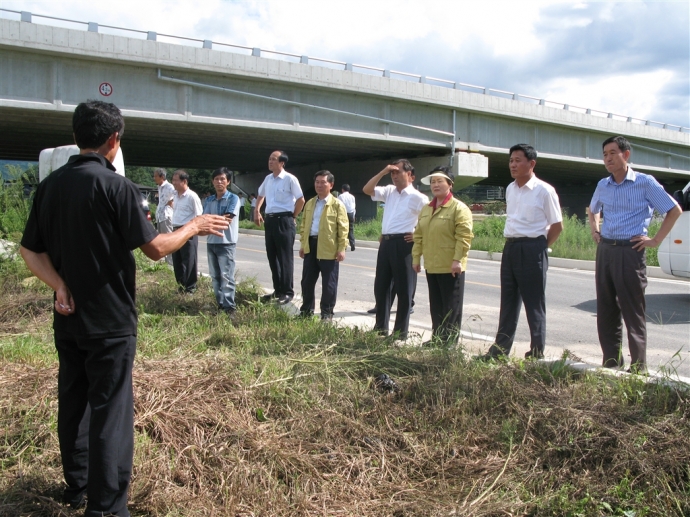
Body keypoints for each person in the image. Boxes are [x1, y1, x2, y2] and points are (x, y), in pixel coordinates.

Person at [18, 101, 228, 516]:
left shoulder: (51, 186)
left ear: (79, 136)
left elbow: (29, 250)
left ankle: (76, 486)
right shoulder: (118, 187)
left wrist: (59, 284)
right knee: (110, 411)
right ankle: (107, 507)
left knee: (73, 401)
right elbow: (155, 249)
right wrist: (194, 226)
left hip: (67, 316)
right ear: (113, 140)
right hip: (110, 320)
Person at [588, 135, 681, 372]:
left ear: (625, 155)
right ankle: (611, 363)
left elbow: (674, 210)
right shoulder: (602, 185)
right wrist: (595, 229)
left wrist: (655, 240)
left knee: (632, 310)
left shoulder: (645, 182)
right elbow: (593, 209)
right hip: (606, 250)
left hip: (631, 251)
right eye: (605, 154)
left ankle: (638, 367)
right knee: (606, 309)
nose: (608, 158)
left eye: (612, 153)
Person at [482, 144, 563, 360]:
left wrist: (540, 247)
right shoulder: (510, 188)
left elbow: (557, 225)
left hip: (533, 248)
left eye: (518, 160)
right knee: (508, 302)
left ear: (531, 163)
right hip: (511, 247)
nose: (513, 164)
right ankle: (499, 351)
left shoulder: (544, 190)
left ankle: (537, 352)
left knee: (534, 303)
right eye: (511, 160)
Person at [363, 159, 428, 339]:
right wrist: (383, 172)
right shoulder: (389, 191)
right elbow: (367, 190)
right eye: (392, 173)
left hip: (404, 243)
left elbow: (429, 220)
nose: (394, 175)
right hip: (386, 242)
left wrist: (417, 234)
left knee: (404, 289)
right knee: (381, 286)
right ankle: (380, 328)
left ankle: (400, 332)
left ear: (410, 175)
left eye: (397, 172)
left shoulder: (419, 198)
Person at [412, 167, 473, 346]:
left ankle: (450, 344)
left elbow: (464, 237)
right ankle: (438, 339)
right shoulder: (426, 209)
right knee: (436, 306)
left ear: (450, 184)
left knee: (451, 307)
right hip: (432, 265)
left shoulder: (458, 208)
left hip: (451, 266)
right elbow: (419, 236)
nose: (435, 185)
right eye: (433, 182)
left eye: (440, 181)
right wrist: (416, 258)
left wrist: (457, 260)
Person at [254, 150, 305, 304]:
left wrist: (292, 216)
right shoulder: (268, 179)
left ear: (282, 162)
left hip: (284, 220)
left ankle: (288, 292)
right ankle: (278, 290)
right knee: (272, 256)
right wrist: (257, 210)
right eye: (269, 159)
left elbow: (301, 200)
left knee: (285, 258)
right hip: (270, 221)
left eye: (274, 159)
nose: (270, 161)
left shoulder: (290, 179)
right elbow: (260, 195)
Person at [298, 170, 349, 321]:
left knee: (329, 283)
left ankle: (327, 313)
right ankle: (306, 311)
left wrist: (341, 248)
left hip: (329, 248)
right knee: (307, 281)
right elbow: (304, 225)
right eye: (317, 182)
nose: (319, 185)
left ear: (331, 185)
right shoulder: (310, 203)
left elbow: (343, 228)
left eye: (323, 182)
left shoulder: (337, 205)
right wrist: (303, 244)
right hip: (311, 245)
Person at [203, 167, 240, 315]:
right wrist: (215, 220)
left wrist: (211, 221)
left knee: (226, 276)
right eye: (217, 179)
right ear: (213, 181)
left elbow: (227, 220)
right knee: (215, 276)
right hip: (211, 242)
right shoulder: (209, 200)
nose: (219, 182)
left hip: (226, 243)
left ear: (228, 182)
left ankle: (229, 307)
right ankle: (220, 304)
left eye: (222, 179)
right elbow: (203, 220)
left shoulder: (233, 199)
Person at [171, 170, 203, 293]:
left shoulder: (192, 196)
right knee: (177, 259)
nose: (174, 183)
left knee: (189, 259)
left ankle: (190, 287)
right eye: (173, 180)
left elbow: (198, 215)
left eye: (176, 180)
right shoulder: (175, 195)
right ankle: (181, 286)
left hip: (188, 231)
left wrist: (192, 230)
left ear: (184, 181)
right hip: (176, 230)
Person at [153, 168, 175, 265]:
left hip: (166, 216)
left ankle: (171, 263)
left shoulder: (169, 186)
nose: (154, 178)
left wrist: (172, 201)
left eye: (156, 176)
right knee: (162, 241)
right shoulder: (160, 187)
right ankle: (166, 262)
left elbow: (177, 194)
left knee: (168, 240)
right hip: (160, 216)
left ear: (162, 177)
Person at [338, 184, 357, 251]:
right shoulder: (352, 197)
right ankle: (353, 244)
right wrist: (354, 215)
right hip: (351, 214)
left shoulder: (340, 196)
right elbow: (354, 207)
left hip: (344, 214)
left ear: (343, 189)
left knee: (343, 230)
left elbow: (339, 206)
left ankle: (344, 246)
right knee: (350, 230)